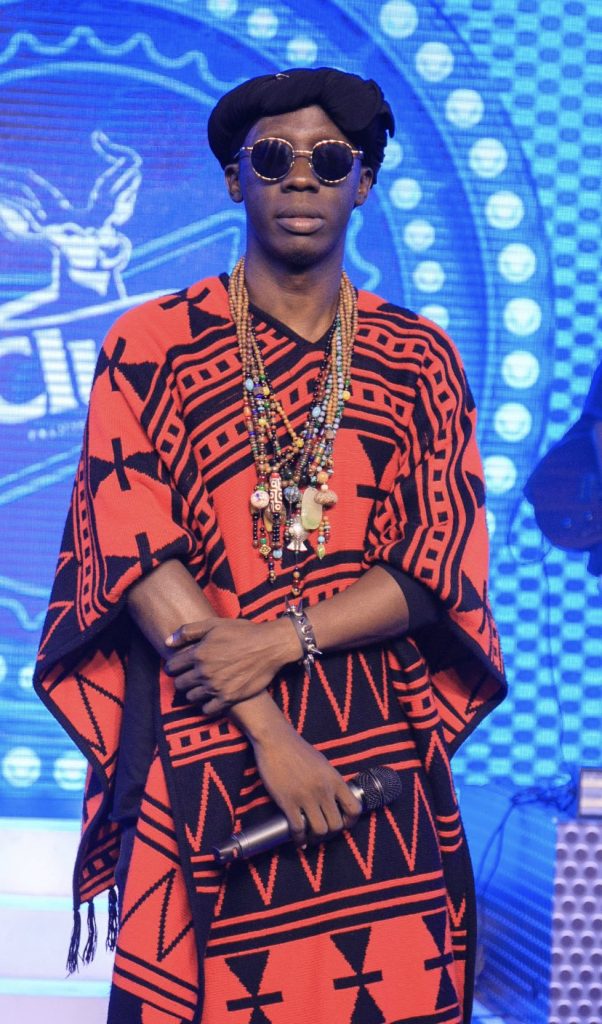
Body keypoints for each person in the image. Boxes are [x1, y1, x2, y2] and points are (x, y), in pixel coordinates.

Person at [34, 67, 506, 1024]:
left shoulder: (420, 358)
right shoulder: (150, 343)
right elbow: (132, 548)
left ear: (363, 184)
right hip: (203, 736)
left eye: (330, 160)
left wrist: (282, 639)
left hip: (375, 748)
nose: (300, 177)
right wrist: (273, 735)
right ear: (232, 177)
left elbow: (437, 566)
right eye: (274, 157)